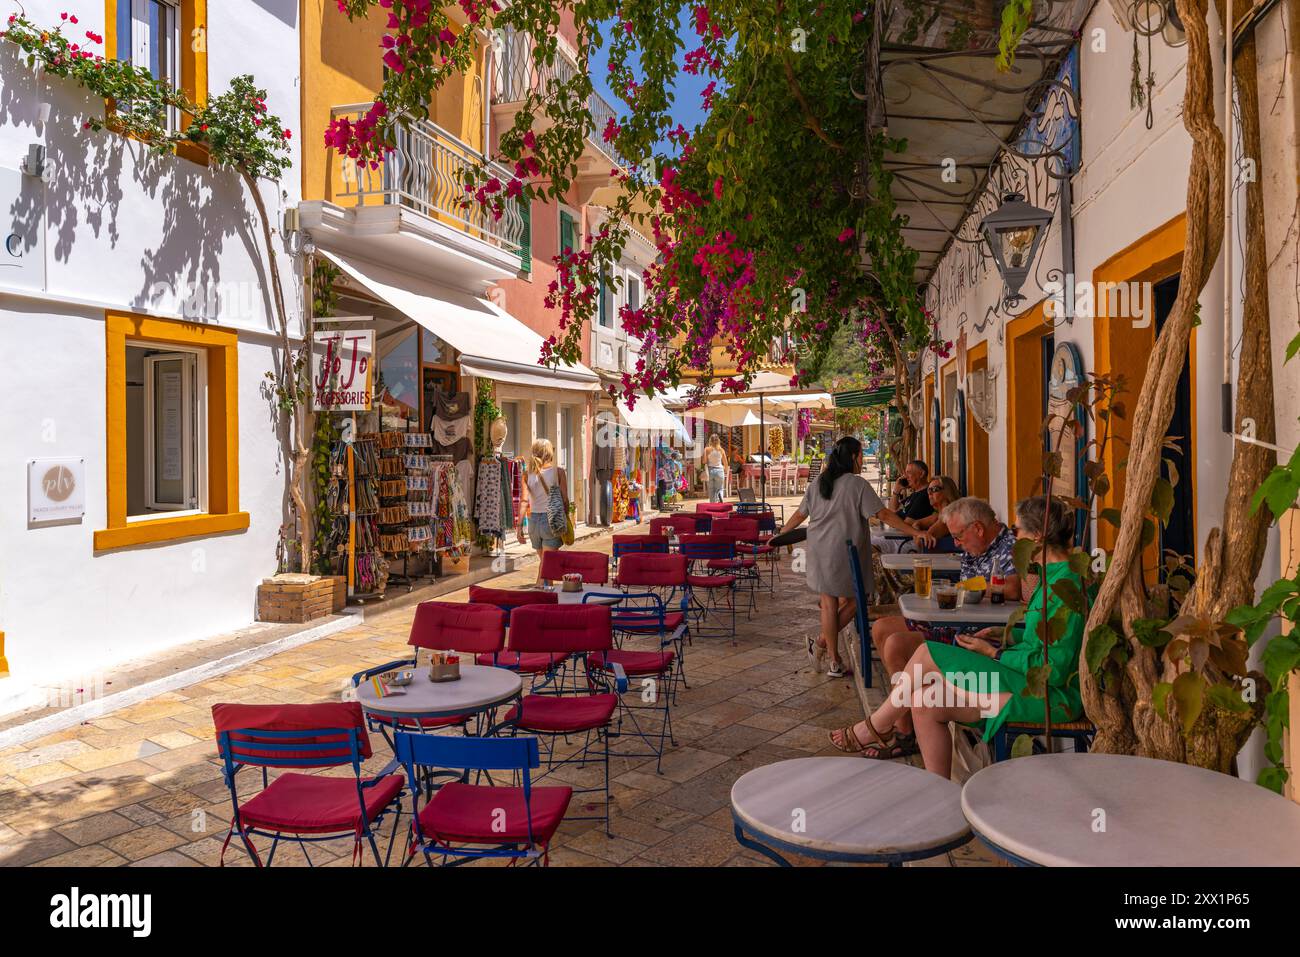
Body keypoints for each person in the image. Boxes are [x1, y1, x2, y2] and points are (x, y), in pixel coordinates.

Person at [829, 496, 1086, 776]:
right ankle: (940, 799)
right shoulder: (1052, 577)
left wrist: (995, 653)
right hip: (1023, 679)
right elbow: (1043, 640)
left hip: (1047, 696)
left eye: (1017, 531)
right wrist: (1008, 635)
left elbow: (1055, 670)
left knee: (928, 653)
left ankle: (877, 724)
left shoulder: (1066, 585)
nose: (1014, 538)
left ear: (1037, 536)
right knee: (924, 702)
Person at [861, 496, 1021, 754]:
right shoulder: (979, 545)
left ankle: (902, 728)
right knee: (881, 628)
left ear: (978, 529)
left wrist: (966, 588)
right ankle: (904, 726)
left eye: (959, 537)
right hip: (958, 622)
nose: (957, 544)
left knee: (895, 645)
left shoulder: (1008, 547)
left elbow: (1012, 589)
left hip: (975, 632)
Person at [776, 436, 929, 679]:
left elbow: (799, 514)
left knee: (830, 602)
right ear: (853, 458)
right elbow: (884, 514)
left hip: (818, 549)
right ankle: (825, 647)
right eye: (859, 456)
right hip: (846, 551)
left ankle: (831, 654)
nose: (861, 460)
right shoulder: (857, 485)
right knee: (857, 600)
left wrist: (780, 534)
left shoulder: (819, 483)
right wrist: (914, 532)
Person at [516, 438, 568, 583]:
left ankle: (544, 595)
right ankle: (540, 595)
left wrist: (519, 526)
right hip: (551, 522)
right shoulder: (558, 472)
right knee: (546, 566)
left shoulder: (527, 475)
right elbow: (565, 500)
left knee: (545, 563)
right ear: (550, 453)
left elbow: (524, 501)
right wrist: (566, 519)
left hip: (533, 523)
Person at [899, 475, 961, 553]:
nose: (930, 493)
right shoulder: (939, 515)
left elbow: (922, 542)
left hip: (941, 561)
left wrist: (918, 535)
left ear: (947, 492)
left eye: (934, 489)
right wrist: (918, 533)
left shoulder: (950, 516)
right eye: (928, 490)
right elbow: (917, 523)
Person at [704, 434, 727, 502]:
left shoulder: (707, 449)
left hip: (710, 470)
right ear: (718, 441)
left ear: (710, 441)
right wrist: (725, 471)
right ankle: (720, 503)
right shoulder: (721, 450)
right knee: (720, 489)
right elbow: (725, 463)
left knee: (711, 490)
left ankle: (713, 506)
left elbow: (704, 461)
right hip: (720, 470)